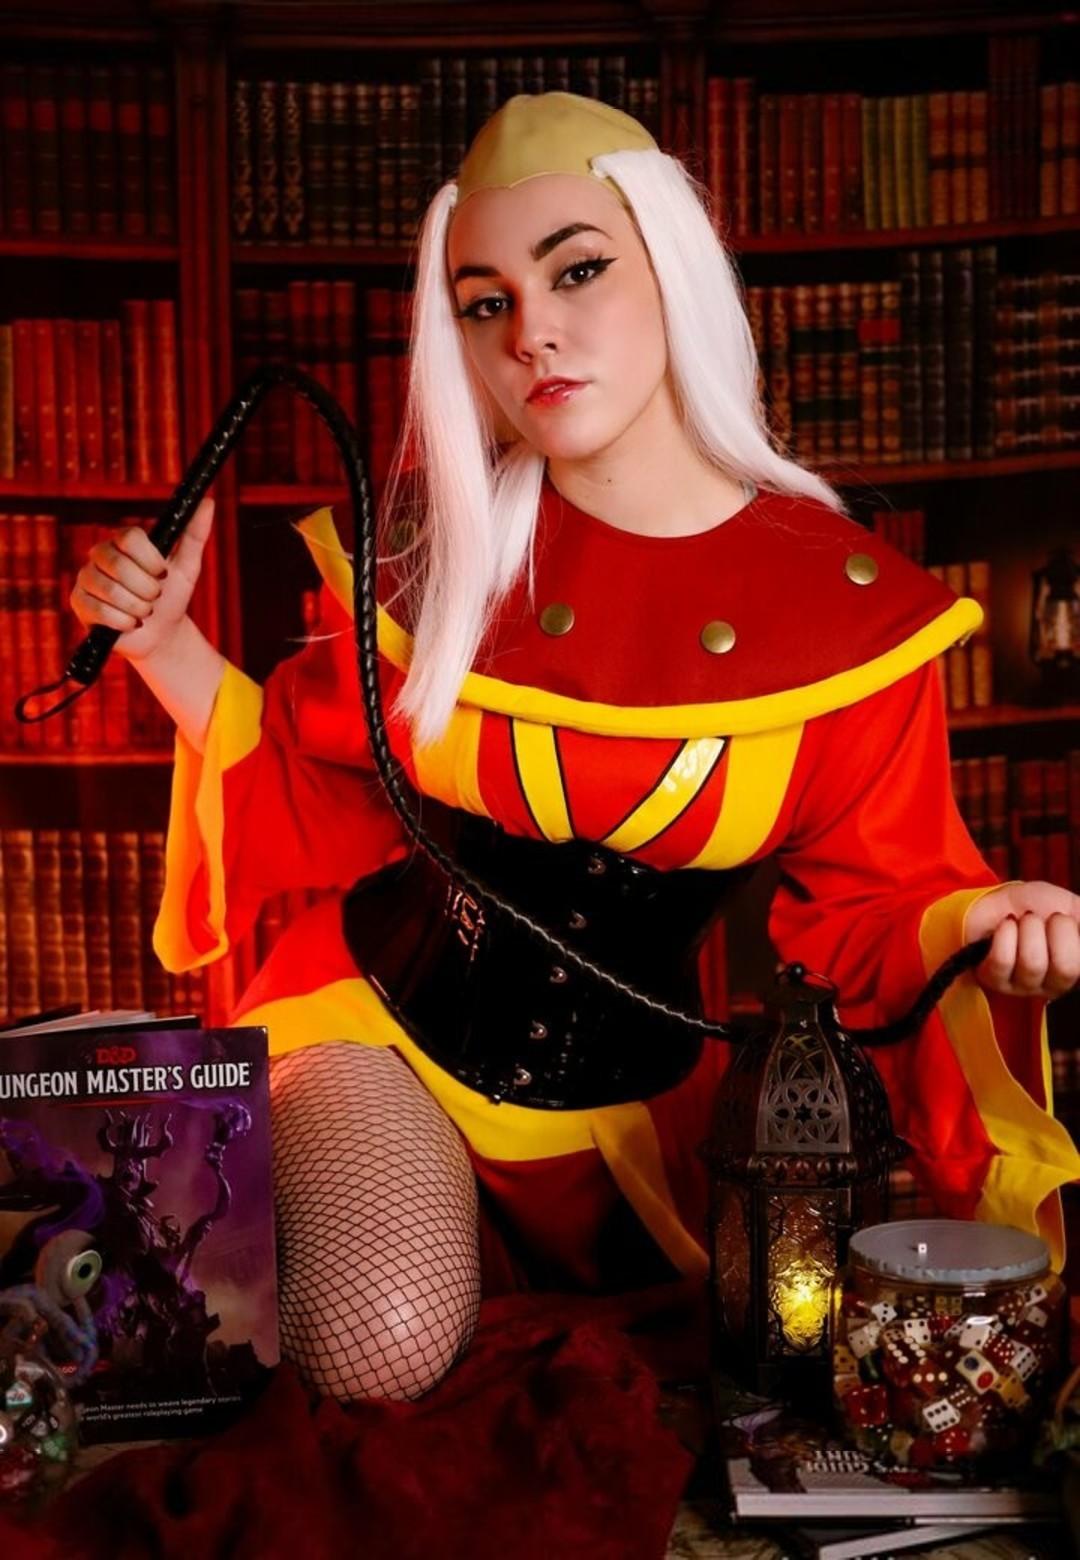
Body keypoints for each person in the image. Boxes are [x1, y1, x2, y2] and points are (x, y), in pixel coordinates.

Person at [70, 92, 1080, 1407]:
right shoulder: (434, 557)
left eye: (578, 270)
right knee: (378, 1343)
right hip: (378, 1025)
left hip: (633, 1120)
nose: (531, 331)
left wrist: (982, 925)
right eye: (484, 301)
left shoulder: (850, 614)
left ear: (672, 271)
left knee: (733, 1368)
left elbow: (877, 905)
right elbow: (322, 776)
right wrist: (163, 644)